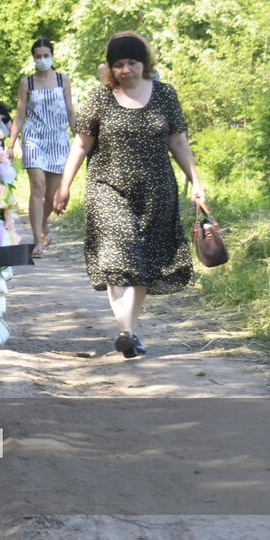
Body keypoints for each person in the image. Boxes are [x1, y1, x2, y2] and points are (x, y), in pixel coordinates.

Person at [53, 32, 205, 359]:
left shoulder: (165, 95)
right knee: (116, 258)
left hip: (156, 190)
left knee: (144, 261)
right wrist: (64, 185)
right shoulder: (99, 99)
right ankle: (124, 328)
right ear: (109, 68)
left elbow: (178, 143)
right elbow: (81, 144)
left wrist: (195, 181)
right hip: (107, 187)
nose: (125, 70)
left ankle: (128, 332)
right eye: (118, 64)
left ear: (144, 63)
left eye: (132, 62)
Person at [5, 38, 75, 258]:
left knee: (52, 194)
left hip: (58, 140)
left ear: (52, 56)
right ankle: (37, 241)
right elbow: (20, 114)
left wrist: (81, 137)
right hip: (34, 138)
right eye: (38, 56)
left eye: (46, 55)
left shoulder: (63, 80)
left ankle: (43, 222)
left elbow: (71, 111)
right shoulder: (28, 83)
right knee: (38, 185)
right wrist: (11, 142)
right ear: (33, 58)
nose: (42, 59)